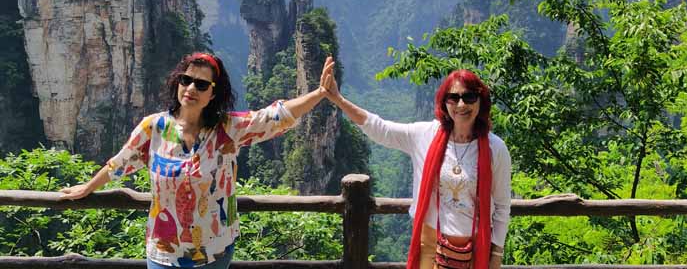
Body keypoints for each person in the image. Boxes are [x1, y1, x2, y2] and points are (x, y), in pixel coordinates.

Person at [60, 52, 334, 269]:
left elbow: (275, 117)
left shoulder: (227, 129)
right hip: (163, 252)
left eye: (201, 84)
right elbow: (118, 164)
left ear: (212, 94)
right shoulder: (153, 128)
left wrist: (320, 94)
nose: (191, 88)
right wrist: (88, 187)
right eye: (185, 80)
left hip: (214, 252)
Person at [320, 59, 511, 269]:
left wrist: (497, 252)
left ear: (480, 101)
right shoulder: (425, 135)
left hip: (476, 248)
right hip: (430, 245)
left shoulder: (496, 148)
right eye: (453, 98)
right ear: (444, 103)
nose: (461, 105)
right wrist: (338, 99)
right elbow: (380, 128)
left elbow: (502, 205)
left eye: (469, 97)